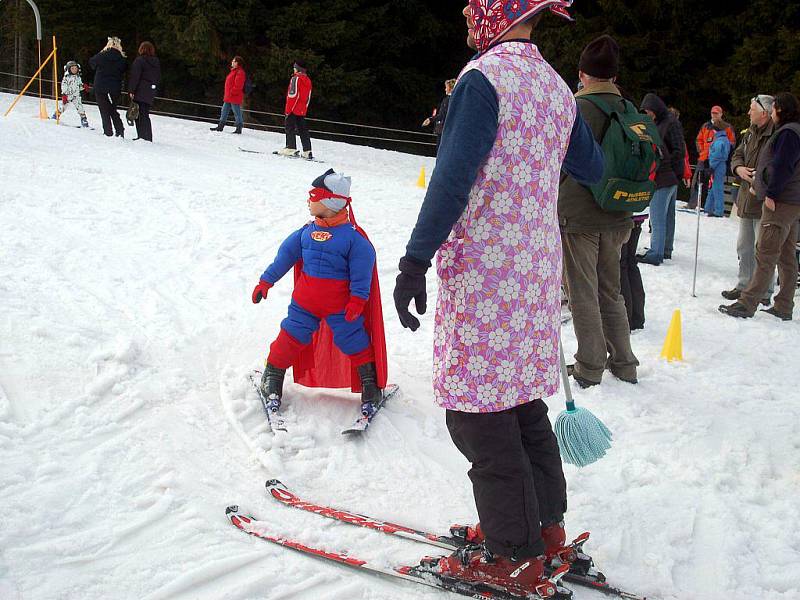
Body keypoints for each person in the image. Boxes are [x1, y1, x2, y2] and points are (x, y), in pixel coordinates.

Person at [393, 1, 604, 597]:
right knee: (517, 402)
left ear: (493, 15)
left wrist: (413, 262)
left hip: (488, 276)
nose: (464, 23)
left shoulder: (482, 80)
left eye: (470, 11)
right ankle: (542, 528)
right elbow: (591, 165)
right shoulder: (556, 86)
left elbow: (452, 179)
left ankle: (514, 556)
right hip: (534, 274)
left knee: (479, 414)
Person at [251, 169, 388, 413]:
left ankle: (370, 385)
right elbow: (284, 258)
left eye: (313, 195)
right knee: (290, 337)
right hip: (305, 305)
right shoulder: (305, 232)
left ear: (329, 201)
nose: (308, 200)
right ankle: (272, 376)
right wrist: (265, 282)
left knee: (354, 341)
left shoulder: (354, 239)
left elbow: (362, 271)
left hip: (341, 307)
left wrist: (358, 300)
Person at [558, 35, 640, 389]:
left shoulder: (576, 109)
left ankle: (590, 365)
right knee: (611, 290)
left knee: (582, 292)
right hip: (620, 211)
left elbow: (558, 161)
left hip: (580, 215)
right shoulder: (629, 108)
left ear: (582, 74)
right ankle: (624, 362)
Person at [720, 92, 800, 321]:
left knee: (765, 252)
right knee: (786, 255)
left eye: (774, 108)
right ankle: (784, 305)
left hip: (782, 202)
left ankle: (748, 302)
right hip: (791, 202)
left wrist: (770, 192)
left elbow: (782, 166)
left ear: (779, 110)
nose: (773, 112)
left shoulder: (787, 133)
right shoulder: (792, 131)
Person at [721, 95, 777, 305]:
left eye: (751, 109)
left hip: (763, 200)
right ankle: (744, 285)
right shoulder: (749, 132)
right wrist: (739, 169)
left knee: (762, 248)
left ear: (764, 113)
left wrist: (761, 181)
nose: (748, 112)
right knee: (744, 246)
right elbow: (737, 154)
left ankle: (763, 291)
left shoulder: (776, 134)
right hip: (746, 198)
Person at [637, 93, 686, 265]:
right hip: (669, 177)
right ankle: (665, 249)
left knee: (657, 218)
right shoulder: (659, 123)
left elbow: (678, 150)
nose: (647, 114)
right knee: (668, 216)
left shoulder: (670, 123)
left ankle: (655, 253)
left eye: (649, 111)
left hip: (664, 176)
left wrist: (663, 164)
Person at [687, 105, 736, 209]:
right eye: (713, 113)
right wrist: (702, 151)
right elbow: (698, 140)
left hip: (718, 159)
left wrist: (723, 151)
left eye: (716, 113)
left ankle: (711, 207)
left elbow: (732, 143)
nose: (714, 115)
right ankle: (692, 204)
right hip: (704, 158)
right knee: (697, 181)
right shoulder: (705, 126)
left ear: (721, 114)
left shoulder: (727, 127)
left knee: (715, 183)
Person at [89, 37, 127, 138]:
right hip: (115, 88)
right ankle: (119, 130)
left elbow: (92, 62)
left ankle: (108, 131)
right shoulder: (121, 58)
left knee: (104, 110)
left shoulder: (102, 55)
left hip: (101, 87)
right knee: (113, 109)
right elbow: (124, 70)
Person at [276, 62, 314, 159]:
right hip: (301, 109)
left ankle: (291, 147)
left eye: (294, 68)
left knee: (289, 127)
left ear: (297, 69)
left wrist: (289, 109)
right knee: (303, 129)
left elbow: (293, 94)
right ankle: (307, 150)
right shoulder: (308, 80)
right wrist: (304, 107)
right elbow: (308, 97)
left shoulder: (295, 78)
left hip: (293, 108)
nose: (293, 69)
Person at [127, 41, 161, 142]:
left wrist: (131, 90)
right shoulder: (156, 62)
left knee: (138, 113)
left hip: (140, 90)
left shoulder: (139, 61)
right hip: (150, 90)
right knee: (145, 114)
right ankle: (148, 136)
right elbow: (158, 77)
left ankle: (141, 136)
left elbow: (135, 76)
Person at [210, 56, 246, 134]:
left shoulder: (240, 72)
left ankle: (239, 128)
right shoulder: (233, 71)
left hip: (234, 96)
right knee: (224, 111)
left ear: (237, 63)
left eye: (234, 61)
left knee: (237, 112)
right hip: (229, 96)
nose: (232, 62)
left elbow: (238, 85)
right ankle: (220, 126)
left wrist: (232, 92)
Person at [53, 60, 90, 128]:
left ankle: (84, 120)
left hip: (76, 96)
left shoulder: (78, 77)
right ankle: (56, 115)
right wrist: (64, 95)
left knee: (80, 108)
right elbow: (63, 86)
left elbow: (79, 86)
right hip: (67, 96)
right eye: (72, 68)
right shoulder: (66, 78)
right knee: (63, 107)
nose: (74, 70)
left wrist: (83, 87)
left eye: (76, 68)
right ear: (68, 69)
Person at [422, 78, 456, 152]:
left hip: (444, 129)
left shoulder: (447, 100)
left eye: (446, 87)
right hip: (450, 129)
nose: (445, 89)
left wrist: (430, 119)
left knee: (440, 151)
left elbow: (442, 115)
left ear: (450, 88)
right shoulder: (454, 99)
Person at [705, 126, 732, 217]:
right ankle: (709, 208)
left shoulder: (719, 141)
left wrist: (711, 166)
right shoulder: (725, 139)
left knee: (717, 187)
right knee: (714, 187)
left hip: (717, 166)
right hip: (720, 165)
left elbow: (716, 155)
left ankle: (718, 210)